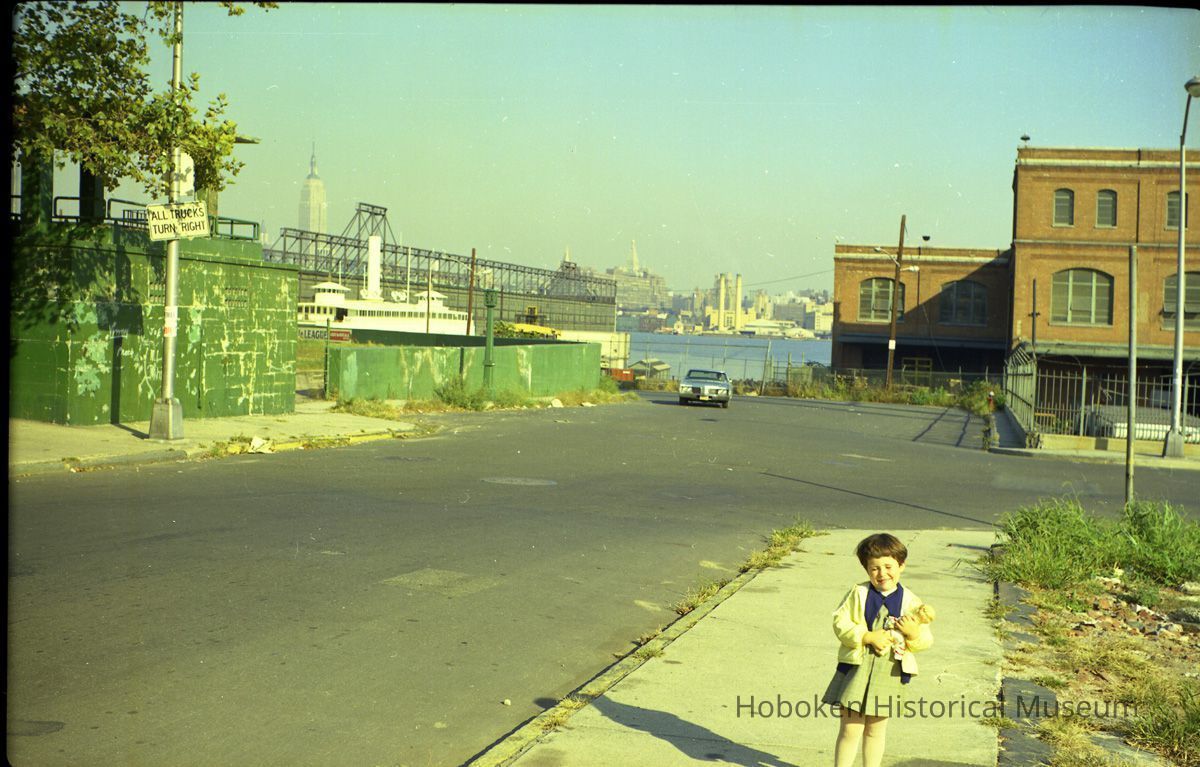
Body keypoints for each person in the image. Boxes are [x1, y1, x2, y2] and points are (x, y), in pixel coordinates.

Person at [821, 533, 934, 767]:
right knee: (851, 728)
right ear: (866, 569)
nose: (882, 574)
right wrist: (865, 636)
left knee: (875, 730)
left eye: (888, 566)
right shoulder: (859, 594)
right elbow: (840, 622)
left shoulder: (912, 602)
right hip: (857, 668)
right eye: (874, 568)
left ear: (901, 566)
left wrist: (913, 633)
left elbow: (925, 640)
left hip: (889, 672)